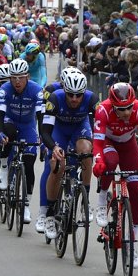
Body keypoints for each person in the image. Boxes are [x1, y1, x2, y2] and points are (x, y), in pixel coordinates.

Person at [92, 82, 138, 269]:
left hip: (128, 144)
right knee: (110, 163)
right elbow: (97, 143)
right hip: (107, 142)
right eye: (121, 109)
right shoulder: (103, 110)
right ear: (113, 106)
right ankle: (103, 199)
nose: (127, 113)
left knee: (136, 189)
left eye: (129, 107)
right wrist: (99, 161)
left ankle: (131, 242)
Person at [39, 70, 98, 239]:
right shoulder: (55, 98)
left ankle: (84, 198)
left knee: (87, 152)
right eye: (70, 94)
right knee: (58, 166)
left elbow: (98, 129)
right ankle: (50, 212)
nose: (74, 99)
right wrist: (53, 147)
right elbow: (45, 131)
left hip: (80, 128)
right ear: (65, 91)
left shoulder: (92, 99)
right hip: (58, 130)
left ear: (84, 93)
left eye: (78, 95)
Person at [0, 59, 43, 224]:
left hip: (28, 126)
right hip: (10, 121)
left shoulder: (36, 90)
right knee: (8, 133)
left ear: (27, 76)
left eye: (20, 77)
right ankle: (3, 166)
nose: (16, 81)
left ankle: (26, 203)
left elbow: (41, 116)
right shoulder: (4, 89)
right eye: (13, 77)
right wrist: (0, 132)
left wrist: (43, 137)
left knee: (29, 163)